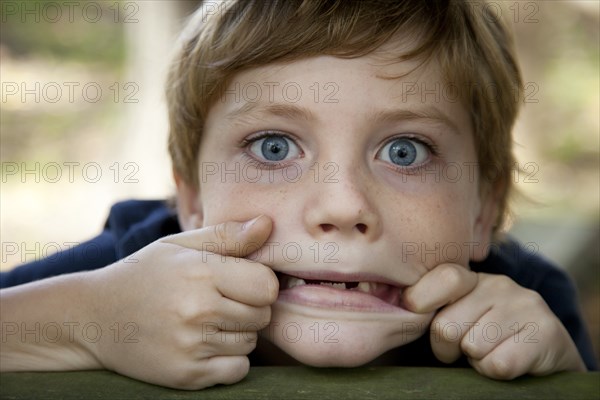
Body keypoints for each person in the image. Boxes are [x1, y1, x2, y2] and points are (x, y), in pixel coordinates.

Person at [1, 0, 596, 390]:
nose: (341, 207)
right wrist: (87, 321)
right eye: (274, 148)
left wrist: (563, 380)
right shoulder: (129, 277)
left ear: (483, 211)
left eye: (405, 151)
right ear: (192, 201)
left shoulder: (527, 305)